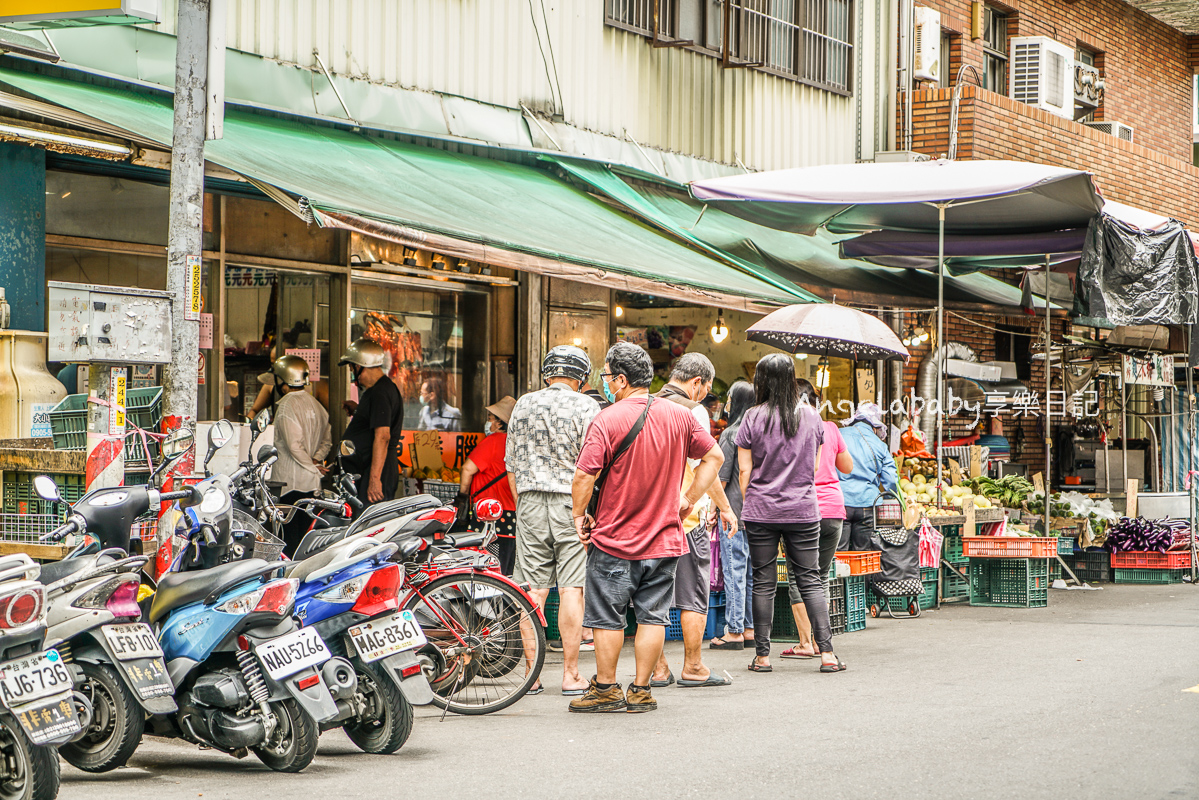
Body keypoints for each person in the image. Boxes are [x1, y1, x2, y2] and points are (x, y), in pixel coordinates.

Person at [569, 343, 722, 713]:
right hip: (664, 538)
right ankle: (641, 690)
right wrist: (688, 498)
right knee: (652, 616)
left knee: (608, 617)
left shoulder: (607, 419)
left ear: (621, 380)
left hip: (614, 538)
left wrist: (578, 515)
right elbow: (714, 456)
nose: (605, 383)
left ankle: (606, 689)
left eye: (607, 376)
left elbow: (584, 475)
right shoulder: (679, 415)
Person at [738, 353, 844, 674]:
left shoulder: (752, 417)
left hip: (761, 510)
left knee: (763, 581)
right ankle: (826, 654)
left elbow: (744, 472)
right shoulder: (813, 417)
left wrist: (754, 500)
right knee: (811, 579)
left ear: (761, 381)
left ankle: (762, 657)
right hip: (803, 508)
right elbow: (813, 466)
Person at [505, 346, 600, 696]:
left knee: (533, 589)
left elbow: (511, 466)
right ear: (581, 378)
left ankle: (533, 674)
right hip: (571, 501)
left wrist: (523, 504)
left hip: (528, 500)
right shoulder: (588, 406)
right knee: (572, 588)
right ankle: (571, 674)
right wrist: (586, 509)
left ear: (546, 374)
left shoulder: (523, 404)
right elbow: (593, 465)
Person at [650, 354, 737, 688]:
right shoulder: (692, 410)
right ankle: (694, 666)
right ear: (697, 382)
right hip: (684, 519)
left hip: (649, 517)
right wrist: (725, 507)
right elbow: (708, 466)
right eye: (706, 388)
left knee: (652, 597)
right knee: (692, 595)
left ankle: (657, 669)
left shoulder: (648, 404)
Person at [782, 379, 853, 659]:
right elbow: (847, 466)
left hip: (802, 510)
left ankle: (805, 642)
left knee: (798, 578)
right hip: (834, 510)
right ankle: (823, 640)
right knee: (820, 577)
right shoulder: (831, 428)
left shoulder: (788, 429)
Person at [266, 355, 332, 556]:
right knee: (304, 539)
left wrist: (312, 465)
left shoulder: (286, 405)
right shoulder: (316, 405)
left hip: (289, 487)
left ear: (282, 379)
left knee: (288, 543)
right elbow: (327, 441)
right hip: (312, 486)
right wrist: (316, 462)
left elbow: (294, 446)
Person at [708, 380, 756, 650]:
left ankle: (734, 630)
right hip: (756, 514)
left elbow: (721, 479)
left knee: (734, 570)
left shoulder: (731, 434)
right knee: (750, 573)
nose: (725, 404)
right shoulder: (760, 431)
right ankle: (748, 628)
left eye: (729, 399)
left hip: (733, 512)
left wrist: (714, 510)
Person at [339, 338, 402, 510]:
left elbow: (383, 436)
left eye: (352, 367)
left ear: (360, 366)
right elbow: (377, 420)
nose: (352, 372)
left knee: (368, 527)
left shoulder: (380, 392)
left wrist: (374, 479)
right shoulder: (378, 390)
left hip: (375, 472)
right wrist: (359, 411)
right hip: (367, 470)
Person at [457, 396, 518, 575]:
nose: (488, 422)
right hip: (511, 518)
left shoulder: (492, 441)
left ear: (500, 424)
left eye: (491, 418)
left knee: (487, 571)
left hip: (489, 516)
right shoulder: (516, 444)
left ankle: (493, 603)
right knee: (507, 571)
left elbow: (467, 469)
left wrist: (462, 496)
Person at [837, 402, 900, 550]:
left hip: (840, 502)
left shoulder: (838, 434)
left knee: (838, 555)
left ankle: (841, 572)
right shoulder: (880, 445)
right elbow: (891, 480)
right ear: (874, 426)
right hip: (867, 504)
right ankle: (862, 574)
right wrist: (892, 498)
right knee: (864, 555)